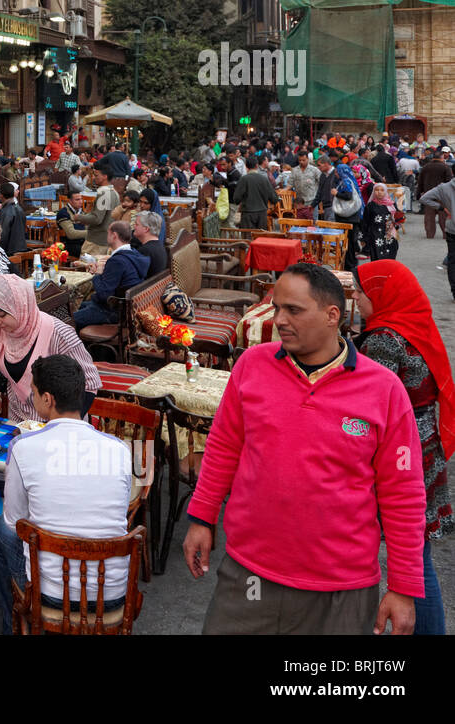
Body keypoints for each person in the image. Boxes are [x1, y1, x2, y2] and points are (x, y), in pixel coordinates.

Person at [184, 263, 425, 634]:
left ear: (332, 316)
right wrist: (202, 517)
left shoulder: (384, 391)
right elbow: (223, 447)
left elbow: (403, 494)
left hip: (342, 587)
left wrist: (403, 586)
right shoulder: (252, 367)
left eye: (293, 310)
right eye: (277, 307)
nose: (279, 319)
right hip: (249, 574)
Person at [0, 353, 133, 633]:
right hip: (111, 599)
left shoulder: (23, 447)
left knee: (0, 530)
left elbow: (15, 521)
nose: (32, 399)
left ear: (48, 399)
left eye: (33, 393)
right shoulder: (120, 449)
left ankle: (14, 627)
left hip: (53, 598)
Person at [353, 260, 455, 635]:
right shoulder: (415, 323)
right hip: (425, 440)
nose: (357, 300)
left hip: (401, 451)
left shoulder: (383, 339)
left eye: (362, 293)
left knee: (411, 559)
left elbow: (366, 405)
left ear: (381, 295)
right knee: (418, 552)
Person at [0, 275, 101, 423]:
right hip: (19, 422)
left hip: (58, 425)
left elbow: (90, 383)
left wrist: (66, 423)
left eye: (1, 314)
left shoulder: (58, 333)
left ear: (21, 307)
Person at [72, 222, 150, 330]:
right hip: (124, 308)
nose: (106, 236)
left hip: (114, 312)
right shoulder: (133, 253)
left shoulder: (117, 261)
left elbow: (104, 294)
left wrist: (98, 274)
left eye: (108, 233)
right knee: (84, 305)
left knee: (66, 322)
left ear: (114, 235)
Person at [419, 175, 455, 300]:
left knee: (452, 260)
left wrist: (442, 208)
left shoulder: (444, 188)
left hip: (452, 228)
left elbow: (424, 198)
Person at [69, 164, 117, 250]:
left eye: (96, 175)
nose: (94, 178)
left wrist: (79, 217)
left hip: (97, 240)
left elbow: (97, 218)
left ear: (105, 176)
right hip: (107, 238)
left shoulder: (104, 193)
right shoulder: (114, 192)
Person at [233, 156, 277, 230]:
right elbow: (274, 198)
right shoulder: (264, 179)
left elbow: (236, 199)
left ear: (246, 166)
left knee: (247, 239)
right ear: (257, 165)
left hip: (247, 214)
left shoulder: (244, 179)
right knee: (260, 238)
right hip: (262, 214)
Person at [418, 153, 453, 238]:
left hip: (428, 194)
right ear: (441, 158)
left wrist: (419, 193)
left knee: (429, 216)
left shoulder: (425, 167)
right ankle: (446, 234)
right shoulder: (445, 167)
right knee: (443, 216)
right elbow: (449, 181)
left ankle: (430, 234)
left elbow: (420, 181)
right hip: (442, 195)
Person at [361, 185, 400, 262]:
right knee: (377, 259)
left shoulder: (391, 205)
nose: (379, 192)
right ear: (373, 192)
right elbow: (365, 223)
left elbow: (398, 219)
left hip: (389, 236)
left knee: (390, 258)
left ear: (385, 192)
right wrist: (364, 239)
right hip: (375, 236)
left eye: (382, 190)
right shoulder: (370, 206)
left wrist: (395, 226)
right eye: (377, 190)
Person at [130, 211, 168, 276]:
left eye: (136, 224)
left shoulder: (145, 251)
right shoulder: (159, 246)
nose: (134, 227)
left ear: (146, 229)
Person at [0, 183, 27, 256]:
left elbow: (2, 233)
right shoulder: (19, 209)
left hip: (10, 251)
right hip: (22, 247)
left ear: (1, 195)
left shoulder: (5, 212)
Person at [290, 152, 321, 220]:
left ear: (308, 159)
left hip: (311, 200)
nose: (301, 162)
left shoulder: (314, 170)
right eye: (300, 160)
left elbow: (321, 182)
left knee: (313, 220)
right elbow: (290, 184)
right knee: (301, 222)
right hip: (300, 203)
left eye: (303, 160)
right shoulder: (294, 170)